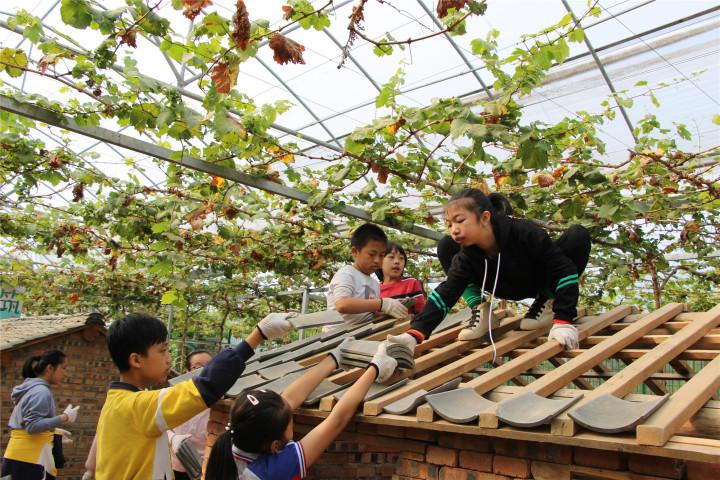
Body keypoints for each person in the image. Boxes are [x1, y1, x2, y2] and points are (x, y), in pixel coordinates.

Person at [94, 311, 296, 480]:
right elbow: (205, 387)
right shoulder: (136, 406)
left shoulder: (119, 401)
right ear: (136, 360)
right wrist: (257, 335)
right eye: (163, 350)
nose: (168, 358)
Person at [389, 188, 590, 351]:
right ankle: (481, 311)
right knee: (445, 246)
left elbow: (563, 269)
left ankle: (547, 301)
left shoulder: (525, 232)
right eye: (449, 224)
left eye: (460, 221)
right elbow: (447, 291)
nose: (454, 229)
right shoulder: (467, 255)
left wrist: (564, 319)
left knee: (577, 235)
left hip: (537, 281)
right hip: (501, 285)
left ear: (485, 218)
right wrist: (414, 334)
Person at [205, 340, 398, 480]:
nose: (290, 412)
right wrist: (375, 368)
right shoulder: (271, 471)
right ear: (275, 446)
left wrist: (334, 359)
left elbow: (287, 399)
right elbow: (336, 420)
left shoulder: (238, 437)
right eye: (289, 419)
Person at [2, 350, 80, 480]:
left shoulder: (30, 388)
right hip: (29, 459)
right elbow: (32, 426)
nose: (64, 373)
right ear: (50, 368)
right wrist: (64, 417)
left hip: (18, 456)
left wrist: (55, 431)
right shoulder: (41, 392)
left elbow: (25, 423)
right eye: (63, 368)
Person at [327, 223, 409, 326]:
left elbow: (369, 314)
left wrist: (388, 312)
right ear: (355, 251)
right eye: (372, 254)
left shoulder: (374, 284)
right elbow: (342, 304)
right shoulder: (346, 274)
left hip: (360, 334)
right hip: (336, 337)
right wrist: (382, 304)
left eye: (381, 255)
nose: (377, 260)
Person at [168, 349, 214, 480]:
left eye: (209, 365)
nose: (204, 370)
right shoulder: (175, 396)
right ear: (188, 372)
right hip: (177, 463)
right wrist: (173, 439)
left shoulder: (221, 399)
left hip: (206, 467)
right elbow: (162, 426)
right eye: (198, 366)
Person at [377, 242, 427, 315]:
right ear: (379, 262)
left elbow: (422, 314)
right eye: (391, 257)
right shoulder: (374, 291)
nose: (397, 262)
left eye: (401, 258)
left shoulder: (411, 283)